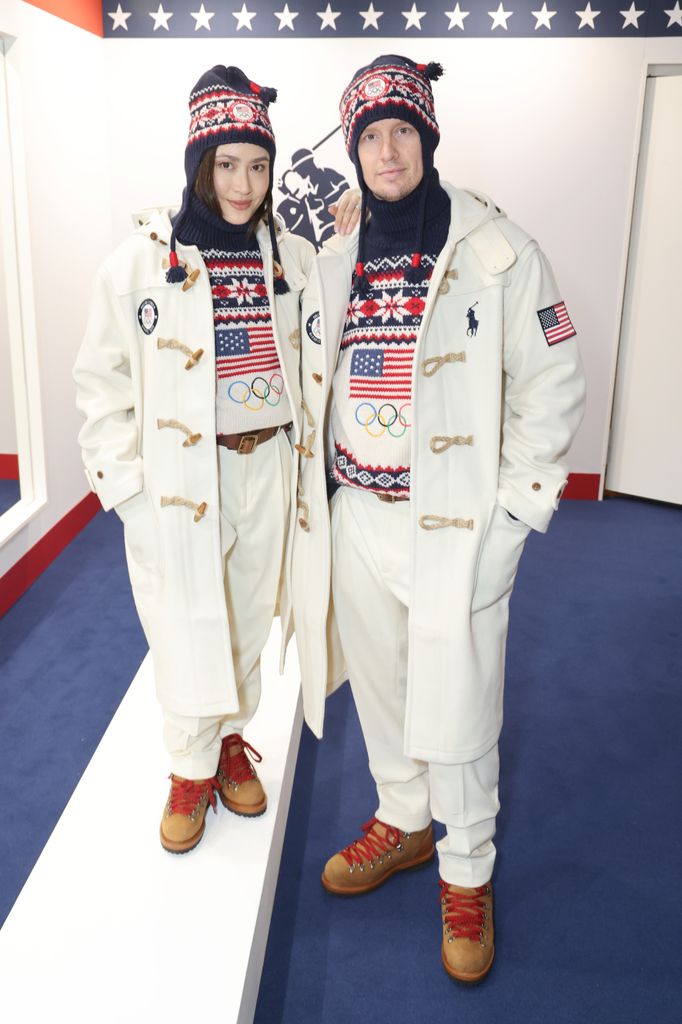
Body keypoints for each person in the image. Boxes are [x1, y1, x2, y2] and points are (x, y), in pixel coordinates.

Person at [292, 54, 586, 983]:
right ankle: (405, 820)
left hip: (452, 524)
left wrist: (512, 516)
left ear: (427, 138)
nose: (387, 150)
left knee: (457, 696)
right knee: (380, 685)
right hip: (358, 514)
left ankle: (467, 868)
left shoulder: (498, 249)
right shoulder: (337, 253)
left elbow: (553, 383)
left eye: (401, 132)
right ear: (353, 149)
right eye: (369, 135)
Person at [74, 65, 314, 854]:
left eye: (257, 164)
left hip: (267, 464)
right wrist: (127, 488)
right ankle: (189, 762)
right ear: (197, 164)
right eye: (226, 164)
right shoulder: (140, 262)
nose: (243, 184)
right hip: (182, 478)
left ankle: (229, 737)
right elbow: (100, 380)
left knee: (247, 609)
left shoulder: (292, 258)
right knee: (182, 620)